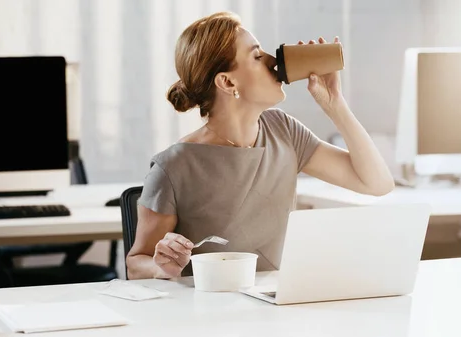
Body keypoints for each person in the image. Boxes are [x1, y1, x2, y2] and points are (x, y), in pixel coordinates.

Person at [126, 12, 394, 280]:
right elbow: (137, 262)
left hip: (278, 302)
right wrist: (161, 267)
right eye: (257, 56)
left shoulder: (283, 131)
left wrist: (335, 104)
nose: (273, 61)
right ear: (228, 82)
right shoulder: (174, 166)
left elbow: (377, 184)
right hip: (210, 308)